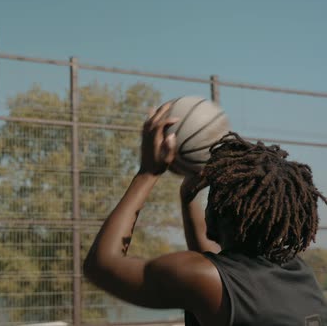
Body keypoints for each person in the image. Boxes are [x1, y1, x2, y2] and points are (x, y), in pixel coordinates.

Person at [83, 102, 327, 326]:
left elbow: (101, 266)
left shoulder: (206, 279)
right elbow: (212, 266)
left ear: (222, 212)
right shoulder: (297, 271)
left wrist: (148, 172)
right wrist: (188, 195)